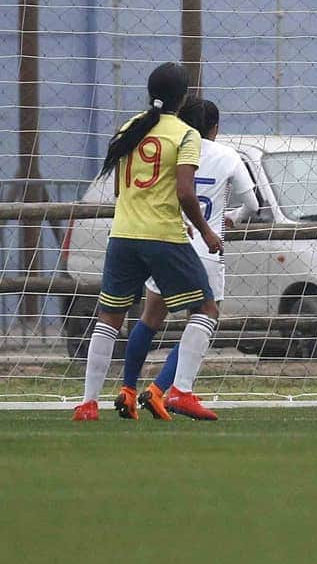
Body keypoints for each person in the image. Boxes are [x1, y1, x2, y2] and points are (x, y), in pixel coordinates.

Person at [72, 63, 223, 422]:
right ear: (183, 96)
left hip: (123, 234)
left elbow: (119, 187)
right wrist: (204, 230)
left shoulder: (129, 128)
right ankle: (182, 391)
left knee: (110, 318)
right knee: (206, 310)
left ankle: (88, 403)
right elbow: (185, 192)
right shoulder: (185, 134)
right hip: (162, 235)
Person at [121, 97, 259, 420]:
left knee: (150, 317)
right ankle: (172, 390)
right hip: (205, 252)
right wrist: (232, 217)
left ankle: (129, 390)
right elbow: (253, 204)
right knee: (203, 318)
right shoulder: (227, 156)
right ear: (215, 128)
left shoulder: (171, 151)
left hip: (167, 243)